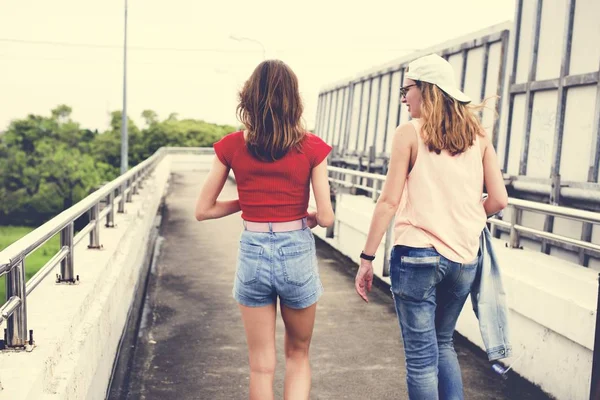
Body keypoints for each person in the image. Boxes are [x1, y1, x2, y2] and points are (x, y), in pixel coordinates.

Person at [354, 53, 508, 400]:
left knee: (422, 359)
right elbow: (499, 200)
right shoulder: (478, 136)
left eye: (406, 89)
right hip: (464, 260)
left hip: (418, 258)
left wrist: (367, 258)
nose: (403, 97)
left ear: (427, 90)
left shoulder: (408, 133)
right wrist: (464, 218)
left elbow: (389, 202)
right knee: (443, 344)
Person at [195, 59, 334, 400]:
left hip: (253, 249)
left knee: (260, 364)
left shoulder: (229, 146)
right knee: (298, 355)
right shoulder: (313, 147)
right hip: (296, 249)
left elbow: (204, 210)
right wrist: (309, 216)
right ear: (294, 101)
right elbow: (327, 218)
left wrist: (247, 202)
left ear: (250, 99)